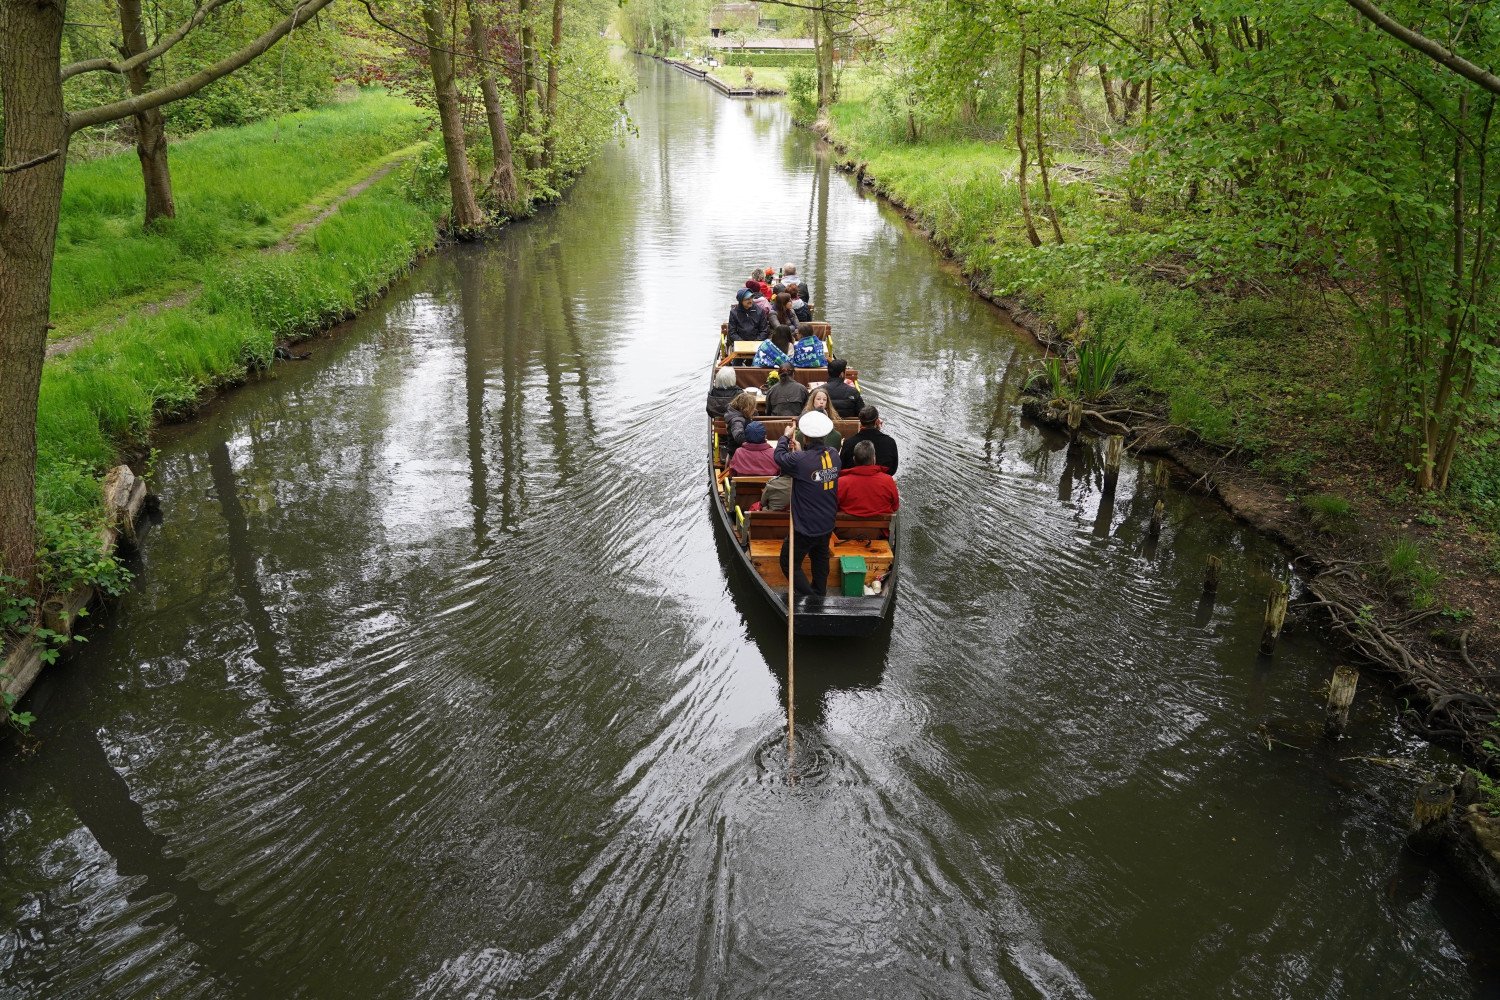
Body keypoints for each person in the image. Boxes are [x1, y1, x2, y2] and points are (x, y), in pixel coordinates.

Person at [775, 411, 841, 600]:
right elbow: (814, 465)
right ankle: (820, 593)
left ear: (805, 436)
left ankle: (810, 596)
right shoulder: (835, 455)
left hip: (805, 526)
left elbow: (779, 457)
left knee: (788, 563)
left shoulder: (800, 460)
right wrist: (801, 452)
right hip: (827, 522)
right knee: (820, 558)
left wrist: (785, 436)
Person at [836, 440, 900, 516]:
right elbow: (895, 507)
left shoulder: (841, 482)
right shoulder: (888, 481)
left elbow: (835, 506)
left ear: (854, 459)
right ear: (874, 459)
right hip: (879, 527)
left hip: (847, 527)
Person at [840, 405, 899, 475]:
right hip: (882, 482)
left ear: (860, 422)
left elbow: (842, 468)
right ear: (877, 421)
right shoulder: (890, 442)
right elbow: (893, 469)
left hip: (855, 481)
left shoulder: (848, 443)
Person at [722, 391, 758, 457]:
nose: (754, 409)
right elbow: (739, 438)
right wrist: (756, 439)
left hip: (741, 449)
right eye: (753, 408)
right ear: (747, 408)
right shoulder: (737, 420)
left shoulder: (739, 414)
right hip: (737, 452)